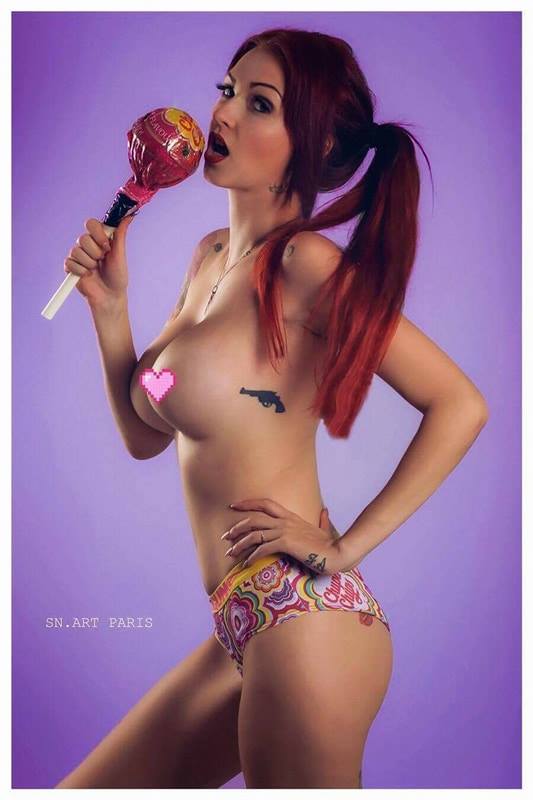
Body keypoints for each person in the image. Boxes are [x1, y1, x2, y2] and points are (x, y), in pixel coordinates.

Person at [55, 28, 489, 790]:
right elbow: (143, 434)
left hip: (304, 619)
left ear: (313, 148)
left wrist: (344, 548)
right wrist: (111, 308)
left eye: (259, 104)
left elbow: (459, 404)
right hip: (241, 626)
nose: (221, 114)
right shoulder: (207, 260)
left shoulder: (304, 264)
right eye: (226, 91)